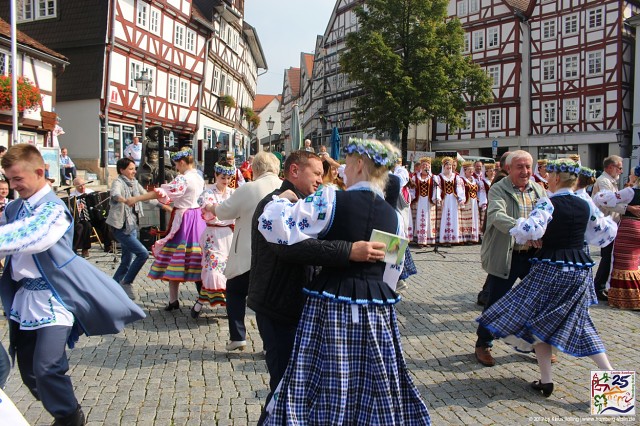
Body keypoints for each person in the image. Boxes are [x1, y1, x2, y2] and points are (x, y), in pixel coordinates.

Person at [257, 138, 430, 424]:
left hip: (332, 302)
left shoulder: (331, 198)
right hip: (376, 309)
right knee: (372, 377)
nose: (340, 171)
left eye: (346, 163)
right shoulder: (395, 217)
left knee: (324, 375)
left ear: (360, 164)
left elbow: (274, 226)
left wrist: (279, 201)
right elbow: (392, 271)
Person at [0, 144, 145, 425]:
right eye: (9, 179)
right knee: (29, 372)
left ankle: (70, 417)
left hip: (55, 296)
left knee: (47, 366)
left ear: (40, 172)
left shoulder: (53, 209)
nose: (13, 186)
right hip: (24, 299)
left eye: (18, 179)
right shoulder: (15, 207)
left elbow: (32, 236)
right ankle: (62, 410)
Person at [249, 151, 387, 421]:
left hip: (295, 305)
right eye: (315, 173)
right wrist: (348, 251)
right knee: (283, 385)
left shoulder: (308, 205)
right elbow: (293, 249)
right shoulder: (275, 203)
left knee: (298, 385)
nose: (321, 180)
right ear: (294, 171)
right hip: (277, 306)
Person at [477, 159, 617, 397]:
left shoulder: (549, 202)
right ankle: (547, 380)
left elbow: (530, 229)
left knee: (540, 318)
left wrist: (523, 229)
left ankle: (609, 377)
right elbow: (603, 231)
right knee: (541, 322)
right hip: (579, 269)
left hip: (551, 268)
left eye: (550, 175)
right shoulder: (585, 203)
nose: (547, 178)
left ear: (557, 179)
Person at [201, 152, 282, 350]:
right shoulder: (284, 186)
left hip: (249, 252)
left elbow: (225, 211)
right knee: (268, 300)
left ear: (255, 169)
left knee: (236, 292)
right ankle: (269, 344)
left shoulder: (249, 188)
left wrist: (211, 206)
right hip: (277, 253)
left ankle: (238, 335)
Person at [474, 150, 546, 366]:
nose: (525, 171)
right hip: (507, 255)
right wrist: (524, 230)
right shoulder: (499, 188)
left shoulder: (538, 189)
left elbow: (547, 216)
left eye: (528, 167)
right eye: (520, 167)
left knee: (538, 303)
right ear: (509, 168)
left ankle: (538, 346)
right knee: (495, 302)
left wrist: (542, 234)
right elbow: (496, 215)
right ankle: (483, 343)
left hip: (532, 256)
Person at [132, 148, 205, 310]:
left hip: (184, 219)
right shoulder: (199, 176)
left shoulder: (183, 179)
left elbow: (163, 193)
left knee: (175, 258)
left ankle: (175, 300)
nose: (176, 169)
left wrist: (137, 198)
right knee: (198, 257)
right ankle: (196, 299)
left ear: (182, 163)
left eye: (177, 165)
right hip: (198, 217)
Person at [106, 158, 166, 291]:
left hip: (132, 225)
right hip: (121, 227)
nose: (134, 171)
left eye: (134, 168)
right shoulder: (118, 182)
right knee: (143, 253)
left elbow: (146, 198)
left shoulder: (135, 183)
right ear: (122, 170)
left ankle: (113, 288)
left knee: (127, 261)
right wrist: (125, 200)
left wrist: (166, 207)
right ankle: (126, 282)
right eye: (131, 169)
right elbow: (115, 194)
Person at [190, 161, 236, 318]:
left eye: (229, 177)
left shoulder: (233, 193)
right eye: (223, 177)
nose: (226, 180)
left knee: (229, 272)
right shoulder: (208, 193)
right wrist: (215, 208)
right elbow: (206, 205)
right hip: (213, 235)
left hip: (229, 236)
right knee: (213, 271)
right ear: (216, 175)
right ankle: (202, 301)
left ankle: (207, 303)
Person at [593, 164, 640, 310]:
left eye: (632, 174)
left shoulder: (631, 192)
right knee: (636, 264)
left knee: (621, 263)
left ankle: (624, 298)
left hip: (629, 228)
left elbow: (601, 198)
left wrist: (626, 208)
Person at [591, 155, 625, 301]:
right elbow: (608, 202)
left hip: (610, 223)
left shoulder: (611, 181)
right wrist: (628, 208)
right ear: (610, 167)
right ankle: (598, 287)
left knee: (608, 257)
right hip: (605, 224)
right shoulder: (604, 181)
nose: (621, 171)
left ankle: (600, 286)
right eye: (619, 168)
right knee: (607, 257)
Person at [432, 156, 465, 245]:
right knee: (444, 217)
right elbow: (438, 188)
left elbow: (459, 189)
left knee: (454, 217)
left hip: (453, 200)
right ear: (443, 166)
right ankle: (444, 238)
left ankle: (453, 238)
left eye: (450, 165)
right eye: (447, 165)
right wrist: (438, 198)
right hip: (445, 199)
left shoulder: (456, 177)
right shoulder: (439, 177)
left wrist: (461, 199)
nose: (449, 166)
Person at [69, 178, 95, 258]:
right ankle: (84, 249)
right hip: (81, 218)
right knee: (85, 225)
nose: (82, 187)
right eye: (80, 186)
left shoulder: (90, 192)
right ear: (75, 186)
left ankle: (108, 246)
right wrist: (78, 210)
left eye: (83, 185)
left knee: (104, 222)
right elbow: (73, 213)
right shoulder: (72, 196)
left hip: (93, 217)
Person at [413, 157, 436, 246]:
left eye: (427, 165)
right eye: (423, 165)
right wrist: (412, 197)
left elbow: (435, 189)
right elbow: (412, 189)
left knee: (429, 219)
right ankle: (420, 240)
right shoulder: (416, 177)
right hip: (419, 202)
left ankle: (428, 239)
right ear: (421, 167)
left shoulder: (433, 178)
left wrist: (436, 198)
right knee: (420, 219)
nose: (425, 166)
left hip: (428, 201)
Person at [460, 161, 481, 244]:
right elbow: (461, 191)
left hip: (474, 201)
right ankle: (466, 237)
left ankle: (474, 236)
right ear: (465, 171)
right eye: (469, 170)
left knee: (474, 218)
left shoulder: (475, 180)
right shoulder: (462, 180)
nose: (471, 172)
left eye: (472, 170)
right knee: (467, 220)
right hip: (467, 201)